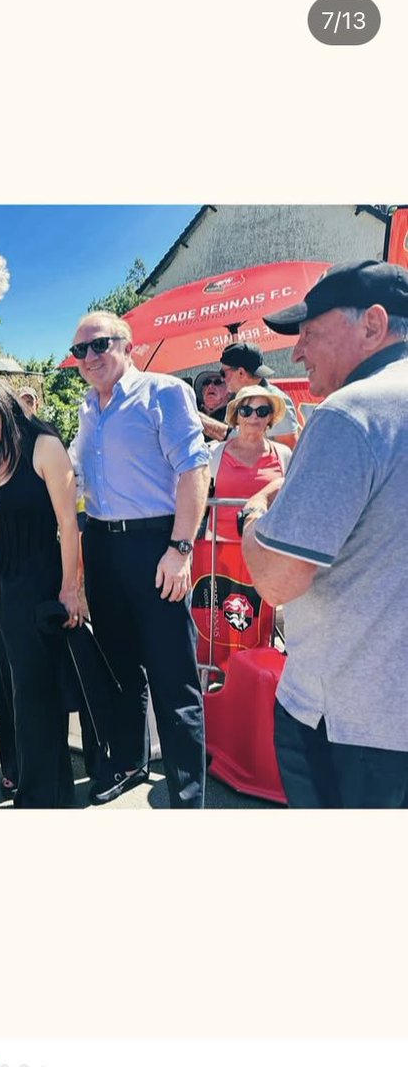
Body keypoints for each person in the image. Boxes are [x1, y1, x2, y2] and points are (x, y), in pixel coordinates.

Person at [242, 259, 408, 808]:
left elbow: (278, 580)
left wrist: (255, 516)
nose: (296, 352)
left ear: (373, 324)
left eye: (310, 332)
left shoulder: (352, 412)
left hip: (348, 723)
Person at [70, 311, 210, 807]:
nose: (88, 357)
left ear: (128, 345)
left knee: (174, 677)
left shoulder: (164, 392)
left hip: (156, 545)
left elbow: (195, 469)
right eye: (80, 350)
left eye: (98, 344)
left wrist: (180, 548)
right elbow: (75, 481)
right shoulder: (87, 408)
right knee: (120, 670)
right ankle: (130, 763)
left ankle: (187, 796)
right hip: (103, 545)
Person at [0, 375, 84, 808]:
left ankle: (44, 798)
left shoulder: (43, 444)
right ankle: (26, 782)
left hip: (39, 583)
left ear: (3, 399)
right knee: (16, 690)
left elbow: (69, 524)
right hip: (7, 584)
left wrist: (72, 589)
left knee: (37, 695)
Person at [207, 384, 291, 541]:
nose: (254, 417)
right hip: (219, 548)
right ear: (236, 417)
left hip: (268, 546)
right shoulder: (213, 454)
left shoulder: (284, 455)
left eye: (262, 411)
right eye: (246, 411)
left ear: (269, 418)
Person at [200, 342, 300, 449]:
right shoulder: (243, 399)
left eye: (223, 373)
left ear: (241, 373)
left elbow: (290, 452)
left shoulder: (275, 401)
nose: (222, 379)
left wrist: (196, 417)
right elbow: (236, 437)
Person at [193, 369, 229, 440]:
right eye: (206, 382)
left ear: (229, 390)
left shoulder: (235, 415)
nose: (210, 386)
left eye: (218, 382)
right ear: (202, 391)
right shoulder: (194, 408)